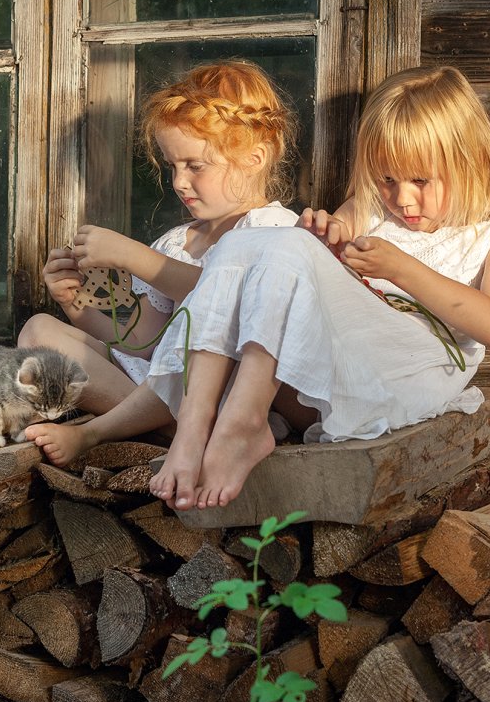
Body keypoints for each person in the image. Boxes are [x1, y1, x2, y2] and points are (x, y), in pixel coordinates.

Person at [142, 64, 490, 511]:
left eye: (420, 180)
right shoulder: (367, 208)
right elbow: (314, 254)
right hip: (349, 355)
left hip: (415, 371)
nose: (401, 198)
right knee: (252, 240)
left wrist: (401, 269)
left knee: (277, 245)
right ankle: (195, 425)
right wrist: (323, 237)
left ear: (470, 160)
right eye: (387, 179)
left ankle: (241, 425)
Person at [19, 60, 300, 456]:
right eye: (172, 165)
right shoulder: (176, 242)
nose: (179, 182)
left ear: (255, 159)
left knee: (200, 356)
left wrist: (134, 257)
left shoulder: (274, 230)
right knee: (37, 331)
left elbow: (229, 299)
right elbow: (144, 343)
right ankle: (169, 427)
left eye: (195, 166)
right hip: (160, 387)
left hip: (224, 391)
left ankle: (145, 427)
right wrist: (75, 304)